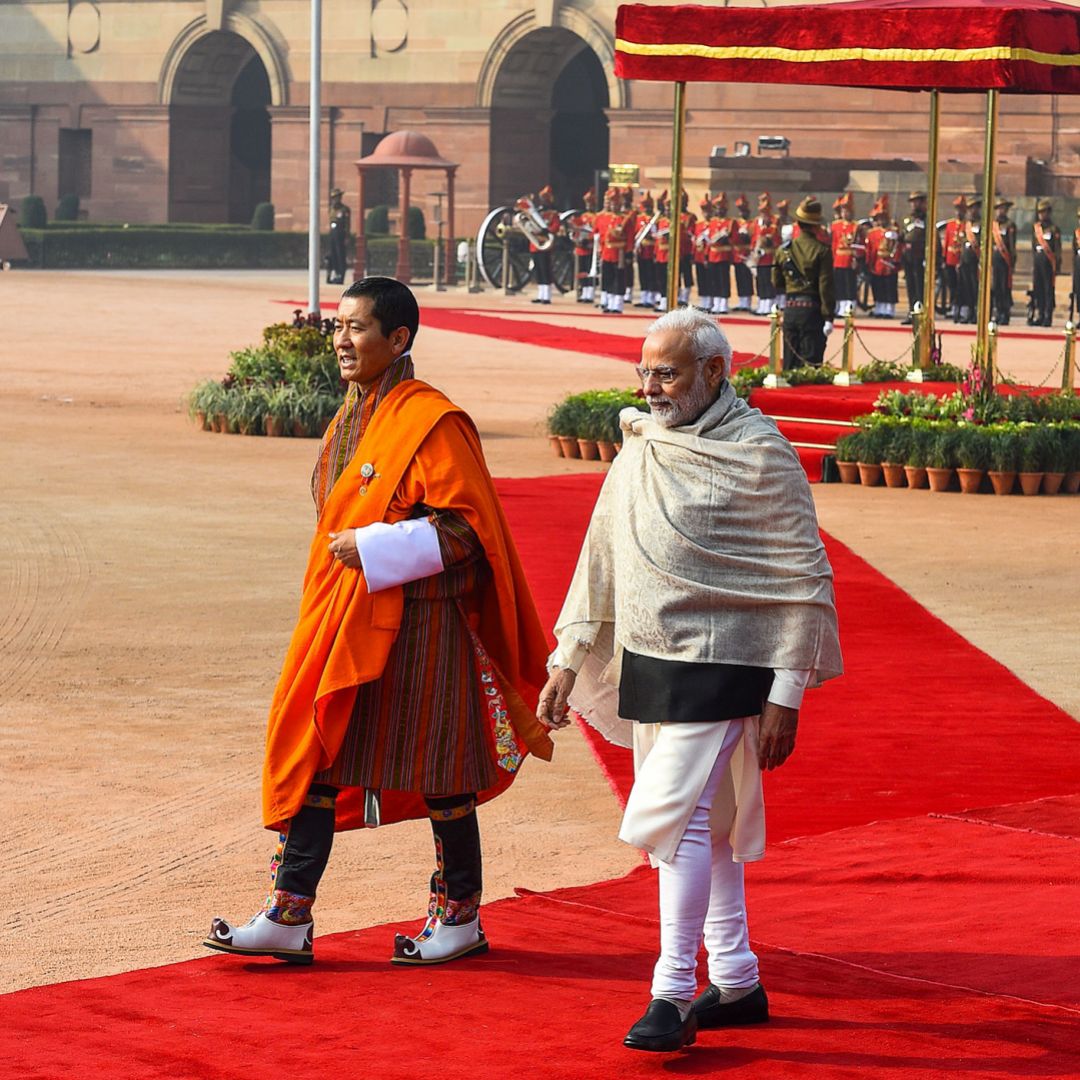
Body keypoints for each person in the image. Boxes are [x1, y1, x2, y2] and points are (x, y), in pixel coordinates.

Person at [203, 277, 554, 967]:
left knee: (443, 772)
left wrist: (372, 547)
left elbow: (466, 533)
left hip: (425, 628)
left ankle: (459, 918)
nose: (341, 339)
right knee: (320, 750)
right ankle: (288, 915)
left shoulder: (432, 420)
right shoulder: (351, 417)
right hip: (353, 618)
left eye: (358, 327)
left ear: (399, 340)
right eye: (339, 326)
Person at [536, 307, 842, 1053]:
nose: (650, 388)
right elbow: (600, 559)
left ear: (715, 371)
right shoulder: (641, 446)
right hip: (651, 657)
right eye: (643, 372)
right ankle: (737, 979)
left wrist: (785, 696)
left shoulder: (760, 452)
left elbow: (804, 578)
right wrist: (568, 658)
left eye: (666, 372)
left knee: (675, 823)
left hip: (727, 663)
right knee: (715, 825)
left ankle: (672, 993)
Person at [773, 197, 836, 368]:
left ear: (798, 223)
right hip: (813, 312)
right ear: (816, 225)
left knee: (789, 364)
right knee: (810, 367)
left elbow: (776, 281)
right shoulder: (822, 251)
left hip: (791, 310)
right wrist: (829, 316)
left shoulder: (783, 250)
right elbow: (825, 286)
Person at [527, 185, 561, 305]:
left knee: (545, 269)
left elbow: (555, 227)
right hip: (535, 244)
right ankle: (541, 294)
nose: (543, 201)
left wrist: (547, 230)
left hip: (545, 244)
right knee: (538, 270)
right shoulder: (537, 213)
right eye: (542, 199)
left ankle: (547, 296)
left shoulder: (553, 214)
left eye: (545, 199)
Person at [1030, 198, 1061, 327]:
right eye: (1040, 212)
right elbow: (1033, 245)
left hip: (1049, 263)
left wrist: (1057, 265)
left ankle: (1048, 315)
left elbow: (1057, 249)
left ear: (1049, 213)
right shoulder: (1036, 228)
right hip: (1038, 261)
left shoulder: (1054, 229)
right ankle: (1040, 314)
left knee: (1048, 289)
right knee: (1038, 289)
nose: (1042, 215)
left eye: (1044, 212)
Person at [900, 191, 927, 325]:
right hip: (908, 257)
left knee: (920, 286)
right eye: (912, 202)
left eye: (916, 201)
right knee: (910, 285)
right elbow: (903, 235)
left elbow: (931, 239)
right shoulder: (907, 219)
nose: (914, 205)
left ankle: (921, 312)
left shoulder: (926, 219)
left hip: (920, 256)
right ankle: (911, 312)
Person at [830, 193, 859, 318]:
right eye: (843, 211)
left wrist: (856, 258)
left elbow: (858, 244)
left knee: (849, 284)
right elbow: (834, 243)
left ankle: (849, 306)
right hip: (838, 258)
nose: (845, 214)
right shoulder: (835, 225)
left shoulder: (856, 226)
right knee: (839, 284)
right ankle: (840, 307)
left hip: (849, 258)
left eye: (847, 211)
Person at [751, 192, 779, 315]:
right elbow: (754, 237)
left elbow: (776, 240)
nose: (764, 215)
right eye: (762, 212)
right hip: (759, 258)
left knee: (768, 281)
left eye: (765, 212)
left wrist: (766, 237)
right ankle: (761, 304)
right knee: (760, 281)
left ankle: (768, 305)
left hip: (768, 257)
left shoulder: (774, 223)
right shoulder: (757, 222)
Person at [990, 198, 1017, 326]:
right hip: (995, 261)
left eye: (1004, 209)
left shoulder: (1010, 225)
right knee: (996, 288)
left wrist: (1012, 262)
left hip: (1005, 262)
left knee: (1005, 287)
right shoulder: (993, 225)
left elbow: (1012, 246)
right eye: (1000, 208)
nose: (1002, 211)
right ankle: (999, 311)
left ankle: (1005, 313)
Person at [568, 188, 597, 304]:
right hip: (580, 247)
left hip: (589, 247)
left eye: (590, 203)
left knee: (589, 271)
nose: (588, 205)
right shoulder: (582, 216)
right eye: (587, 203)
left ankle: (589, 293)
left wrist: (588, 239)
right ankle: (583, 291)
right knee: (581, 271)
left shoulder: (596, 217)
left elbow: (595, 231)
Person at [707, 192, 733, 315]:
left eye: (721, 209)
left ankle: (723, 304)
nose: (719, 211)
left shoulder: (730, 223)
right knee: (714, 280)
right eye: (717, 209)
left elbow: (735, 238)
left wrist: (728, 238)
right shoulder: (712, 222)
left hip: (723, 256)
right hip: (713, 255)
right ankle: (716, 303)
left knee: (723, 280)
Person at [957, 196, 982, 325]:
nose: (972, 211)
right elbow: (960, 243)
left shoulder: (982, 225)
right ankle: (969, 312)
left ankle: (977, 313)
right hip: (965, 261)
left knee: (976, 288)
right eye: (970, 208)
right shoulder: (965, 225)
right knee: (966, 288)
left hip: (976, 261)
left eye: (975, 208)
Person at [942, 195, 967, 320]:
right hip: (950, 260)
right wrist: (944, 258)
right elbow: (947, 242)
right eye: (957, 209)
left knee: (962, 285)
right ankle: (953, 307)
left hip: (962, 260)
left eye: (961, 209)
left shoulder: (967, 225)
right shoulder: (950, 225)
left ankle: (962, 308)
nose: (959, 212)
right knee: (952, 285)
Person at [634, 190, 660, 308]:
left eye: (649, 206)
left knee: (652, 274)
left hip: (652, 250)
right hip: (642, 250)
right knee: (642, 273)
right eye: (645, 206)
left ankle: (652, 298)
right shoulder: (639, 218)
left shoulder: (656, 219)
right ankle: (644, 297)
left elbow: (658, 235)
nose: (647, 208)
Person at [732, 194, 754, 312]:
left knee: (747, 279)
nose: (742, 213)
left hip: (747, 254)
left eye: (744, 211)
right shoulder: (736, 224)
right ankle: (741, 302)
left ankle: (747, 302)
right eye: (740, 211)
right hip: (737, 255)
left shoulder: (752, 224)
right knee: (739, 278)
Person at [694, 194, 715, 312]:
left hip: (711, 255)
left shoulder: (713, 224)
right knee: (701, 279)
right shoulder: (699, 225)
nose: (706, 214)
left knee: (710, 279)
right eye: (704, 211)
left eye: (708, 211)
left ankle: (711, 302)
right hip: (699, 255)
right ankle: (704, 301)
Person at [326, 188, 351, 286]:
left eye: (337, 197)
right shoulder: (331, 209)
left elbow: (347, 224)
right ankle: (334, 274)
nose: (335, 199)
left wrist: (347, 237)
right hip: (333, 233)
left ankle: (341, 275)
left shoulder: (344, 209)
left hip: (341, 233)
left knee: (341, 254)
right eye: (333, 198)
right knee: (333, 254)